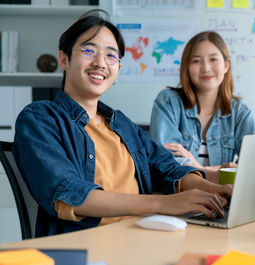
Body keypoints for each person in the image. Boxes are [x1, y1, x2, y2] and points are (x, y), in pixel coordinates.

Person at [12, 11, 232, 237]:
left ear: (117, 70)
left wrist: (217, 190)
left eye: (111, 56)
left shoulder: (122, 125)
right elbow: (72, 194)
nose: (100, 63)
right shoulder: (39, 119)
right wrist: (163, 204)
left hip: (145, 237)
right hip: (85, 246)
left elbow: (168, 168)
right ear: (64, 59)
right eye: (89, 51)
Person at [150, 31, 255, 183]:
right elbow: (166, 163)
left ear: (226, 65)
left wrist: (196, 166)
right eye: (196, 61)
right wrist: (217, 171)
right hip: (178, 198)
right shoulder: (168, 102)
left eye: (213, 59)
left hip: (222, 199)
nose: (206, 68)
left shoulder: (240, 112)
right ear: (187, 67)